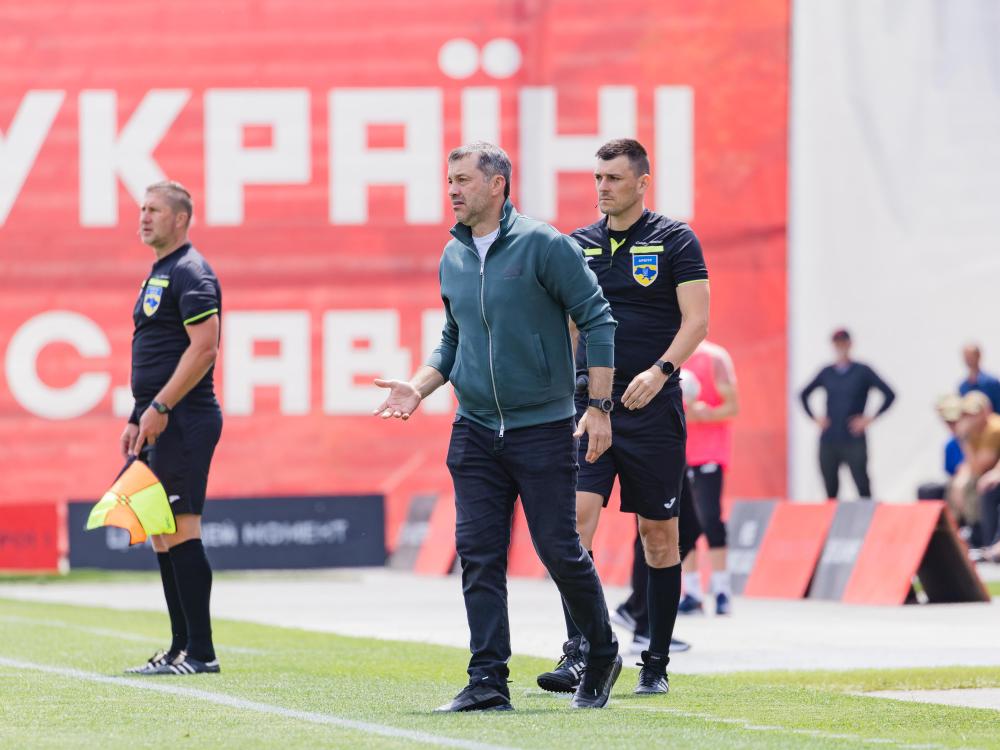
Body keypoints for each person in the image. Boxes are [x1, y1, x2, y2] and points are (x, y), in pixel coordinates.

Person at [373, 142, 622, 711]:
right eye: (449, 180)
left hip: (543, 427)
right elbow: (453, 338)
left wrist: (600, 406)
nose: (453, 190)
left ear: (497, 185)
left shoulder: (544, 245)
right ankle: (487, 680)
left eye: (463, 180)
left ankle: (602, 651)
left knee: (558, 550)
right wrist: (419, 386)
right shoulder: (453, 255)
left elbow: (599, 319)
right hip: (475, 429)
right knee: (479, 554)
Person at [534, 138, 710, 696]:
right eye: (598, 178)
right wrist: (565, 393)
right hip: (591, 409)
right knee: (575, 525)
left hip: (653, 410)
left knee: (659, 537)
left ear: (642, 182)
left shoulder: (675, 239)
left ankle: (655, 663)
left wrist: (660, 372)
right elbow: (566, 327)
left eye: (613, 178)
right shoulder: (577, 245)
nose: (602, 187)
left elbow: (697, 321)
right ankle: (581, 653)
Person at [122, 181, 223, 676]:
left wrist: (161, 405)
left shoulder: (191, 271)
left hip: (185, 418)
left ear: (181, 218)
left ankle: (202, 653)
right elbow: (157, 351)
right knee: (161, 531)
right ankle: (179, 649)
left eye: (155, 210)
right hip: (158, 417)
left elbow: (204, 348)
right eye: (142, 208)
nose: (144, 217)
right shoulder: (160, 271)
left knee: (181, 528)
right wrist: (136, 414)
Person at [677, 340, 739, 616]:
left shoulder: (714, 358)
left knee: (710, 517)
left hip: (709, 452)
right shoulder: (668, 353)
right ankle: (692, 592)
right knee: (681, 520)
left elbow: (732, 406)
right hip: (678, 452)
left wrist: (706, 413)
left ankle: (722, 590)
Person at [799, 329, 895, 499]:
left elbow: (889, 394)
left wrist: (869, 419)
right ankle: (832, 516)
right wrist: (815, 418)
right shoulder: (827, 372)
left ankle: (867, 514)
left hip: (853, 437)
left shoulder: (862, 371)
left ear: (850, 344)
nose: (840, 346)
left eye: (843, 342)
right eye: (837, 343)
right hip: (830, 438)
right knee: (830, 488)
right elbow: (803, 394)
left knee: (862, 485)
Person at [951, 391, 1000, 550]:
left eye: (975, 413)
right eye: (968, 414)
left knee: (983, 488)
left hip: (989, 476)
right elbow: (968, 464)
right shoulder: (974, 430)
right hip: (985, 474)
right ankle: (961, 536)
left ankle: (986, 541)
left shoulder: (994, 428)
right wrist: (960, 480)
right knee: (954, 486)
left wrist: (964, 439)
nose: (971, 418)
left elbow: (980, 467)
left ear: (986, 411)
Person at [958, 344, 1000, 412]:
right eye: (966, 357)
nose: (969, 360)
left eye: (971, 356)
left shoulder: (992, 383)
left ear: (979, 356)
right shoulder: (963, 386)